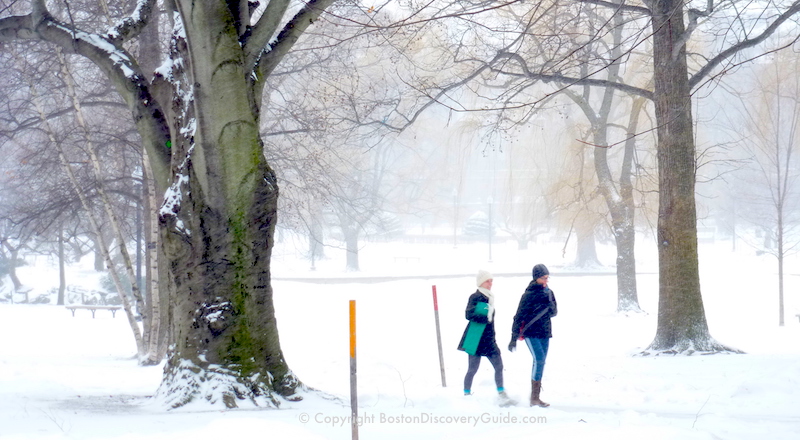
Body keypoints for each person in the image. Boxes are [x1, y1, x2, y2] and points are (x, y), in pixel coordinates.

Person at [457, 270, 513, 404]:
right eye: (488, 281)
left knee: (499, 366)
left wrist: (492, 333)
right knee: (472, 369)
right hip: (475, 339)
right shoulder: (475, 297)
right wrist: (484, 318)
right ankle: (466, 394)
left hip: (488, 339)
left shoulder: (490, 298)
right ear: (481, 282)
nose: (491, 283)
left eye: (491, 281)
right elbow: (468, 315)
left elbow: (490, 321)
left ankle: (501, 393)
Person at [509, 263, 558, 407]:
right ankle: (534, 397)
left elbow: (554, 312)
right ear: (536, 278)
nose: (546, 281)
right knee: (539, 359)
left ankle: (536, 396)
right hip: (531, 333)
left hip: (545, 332)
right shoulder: (528, 295)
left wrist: (548, 306)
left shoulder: (549, 293)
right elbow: (518, 316)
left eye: (547, 278)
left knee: (541, 362)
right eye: (543, 278)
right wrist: (513, 338)